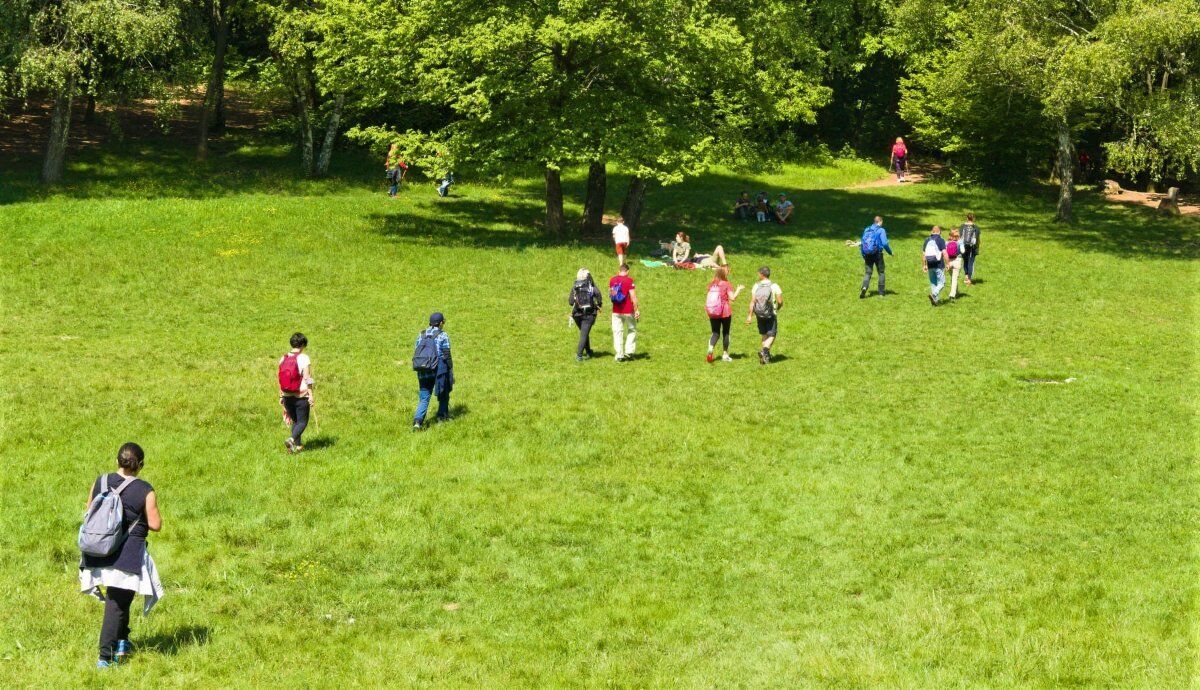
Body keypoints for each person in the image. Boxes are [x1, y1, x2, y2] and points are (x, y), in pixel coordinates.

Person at [80, 442, 163, 669]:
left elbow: (88, 512)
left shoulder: (101, 481)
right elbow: (155, 524)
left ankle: (122, 642)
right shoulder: (145, 489)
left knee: (120, 599)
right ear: (141, 465)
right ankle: (105, 658)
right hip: (126, 556)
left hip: (97, 551)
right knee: (116, 603)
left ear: (117, 461)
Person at [413, 313, 453, 429]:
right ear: (440, 323)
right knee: (443, 393)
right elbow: (447, 354)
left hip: (423, 368)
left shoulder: (421, 334)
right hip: (438, 368)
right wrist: (450, 369)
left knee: (424, 396)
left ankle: (417, 422)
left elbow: (417, 350)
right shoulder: (443, 335)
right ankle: (442, 417)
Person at [278, 332, 314, 454]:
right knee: (302, 422)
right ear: (303, 344)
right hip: (300, 396)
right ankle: (292, 440)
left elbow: (280, 378)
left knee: (296, 421)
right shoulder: (304, 358)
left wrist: (281, 395)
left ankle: (296, 447)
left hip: (287, 396)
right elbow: (307, 378)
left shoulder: (283, 358)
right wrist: (311, 395)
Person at [705, 266, 744, 362]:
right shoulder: (726, 284)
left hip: (713, 312)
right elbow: (732, 298)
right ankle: (725, 355)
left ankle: (710, 348)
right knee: (726, 333)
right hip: (725, 312)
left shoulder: (711, 284)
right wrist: (738, 289)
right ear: (723, 273)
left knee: (715, 333)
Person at [746, 266, 783, 364]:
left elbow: (752, 302)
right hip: (771, 314)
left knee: (764, 334)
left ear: (762, 275)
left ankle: (765, 358)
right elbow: (780, 301)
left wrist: (750, 315)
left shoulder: (756, 286)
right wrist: (778, 308)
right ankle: (764, 351)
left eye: (758, 273)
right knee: (772, 334)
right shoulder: (774, 286)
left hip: (759, 314)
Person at [568, 268, 603, 361]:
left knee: (584, 332)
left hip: (577, 315)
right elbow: (599, 296)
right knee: (584, 334)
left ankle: (588, 351)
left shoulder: (575, 287)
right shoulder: (592, 287)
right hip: (589, 314)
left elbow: (571, 302)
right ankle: (579, 355)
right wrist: (598, 305)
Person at [608, 264, 640, 362]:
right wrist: (637, 309)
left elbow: (612, 295)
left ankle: (619, 355)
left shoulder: (612, 280)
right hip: (628, 310)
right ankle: (629, 351)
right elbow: (633, 297)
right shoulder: (629, 280)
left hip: (616, 310)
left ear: (619, 271)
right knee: (632, 329)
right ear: (627, 271)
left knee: (617, 332)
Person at [859, 215, 894, 298]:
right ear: (880, 222)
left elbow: (862, 243)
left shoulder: (867, 229)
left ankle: (864, 287)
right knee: (881, 272)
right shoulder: (881, 230)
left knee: (868, 273)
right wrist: (890, 252)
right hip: (878, 254)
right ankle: (881, 293)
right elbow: (885, 243)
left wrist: (863, 254)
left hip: (867, 254)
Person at [921, 225, 949, 306]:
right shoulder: (941, 240)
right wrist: (947, 263)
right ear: (939, 232)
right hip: (938, 265)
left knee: (933, 283)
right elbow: (944, 253)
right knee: (942, 283)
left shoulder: (927, 240)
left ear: (932, 231)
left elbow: (924, 255)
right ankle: (934, 294)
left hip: (930, 265)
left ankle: (935, 301)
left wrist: (924, 265)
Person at [960, 212, 981, 285]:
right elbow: (977, 239)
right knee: (971, 262)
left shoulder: (962, 226)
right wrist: (977, 248)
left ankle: (966, 275)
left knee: (965, 261)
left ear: (967, 218)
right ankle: (969, 279)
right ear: (973, 218)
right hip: (973, 247)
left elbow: (960, 237)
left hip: (964, 246)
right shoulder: (976, 228)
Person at [946, 228, 965, 299]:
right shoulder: (960, 241)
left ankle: (955, 292)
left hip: (949, 261)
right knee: (955, 278)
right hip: (957, 260)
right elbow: (963, 251)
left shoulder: (947, 242)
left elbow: (944, 252)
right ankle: (952, 294)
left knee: (953, 278)